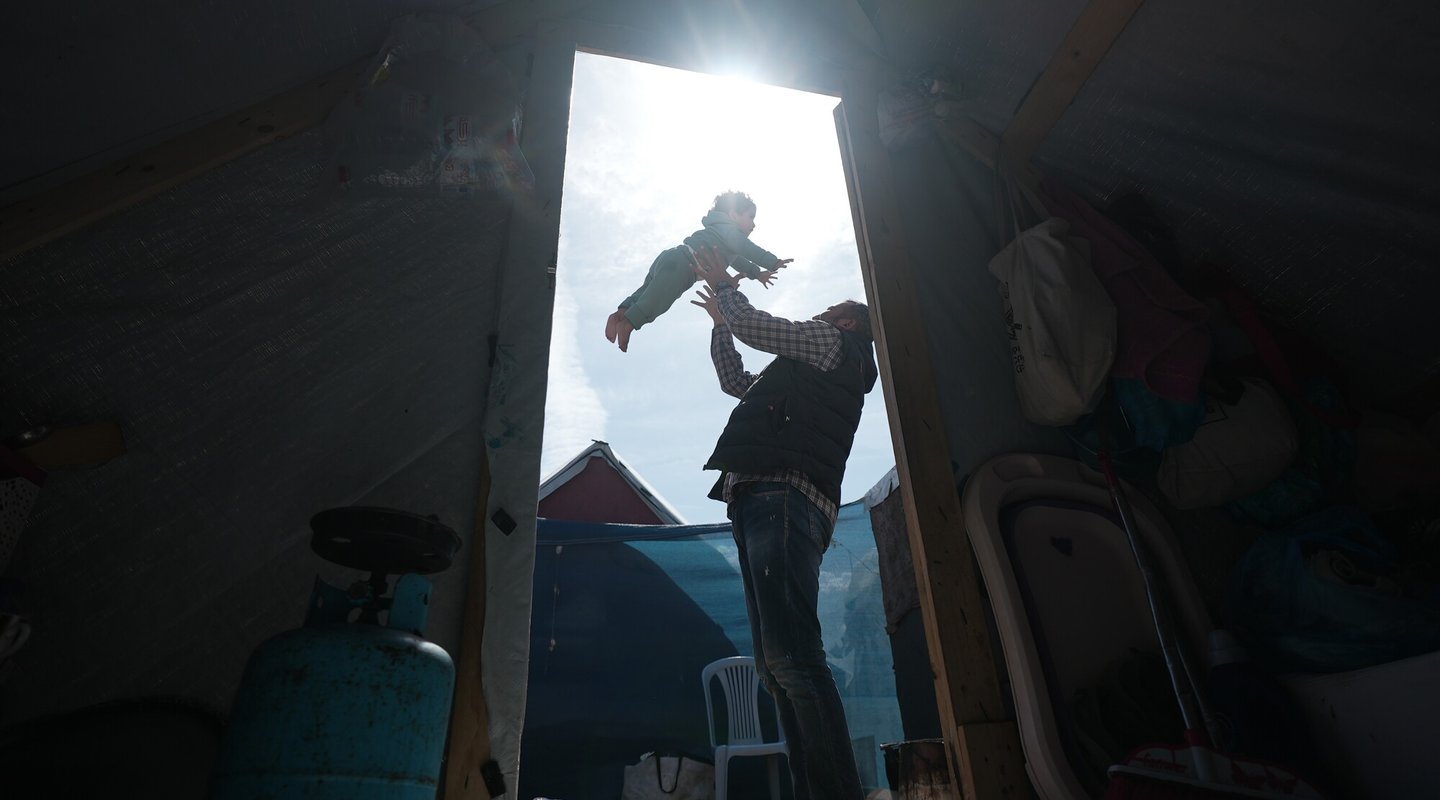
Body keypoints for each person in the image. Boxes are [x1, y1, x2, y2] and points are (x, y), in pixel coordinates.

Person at [690, 245, 876, 800]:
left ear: (846, 322)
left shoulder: (834, 343)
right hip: (762, 496)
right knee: (776, 668)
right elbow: (734, 380)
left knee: (793, 658)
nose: (816, 318)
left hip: (786, 494)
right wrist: (721, 326)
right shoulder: (803, 371)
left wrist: (727, 292)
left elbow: (754, 325)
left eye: (825, 312)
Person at [605, 191, 792, 352]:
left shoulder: (720, 232)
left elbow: (739, 261)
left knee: (646, 291)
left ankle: (620, 314)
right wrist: (772, 262)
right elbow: (747, 248)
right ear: (734, 214)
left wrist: (757, 274)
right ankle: (629, 324)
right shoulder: (731, 232)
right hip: (684, 266)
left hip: (673, 256)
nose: (753, 224)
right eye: (750, 217)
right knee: (658, 300)